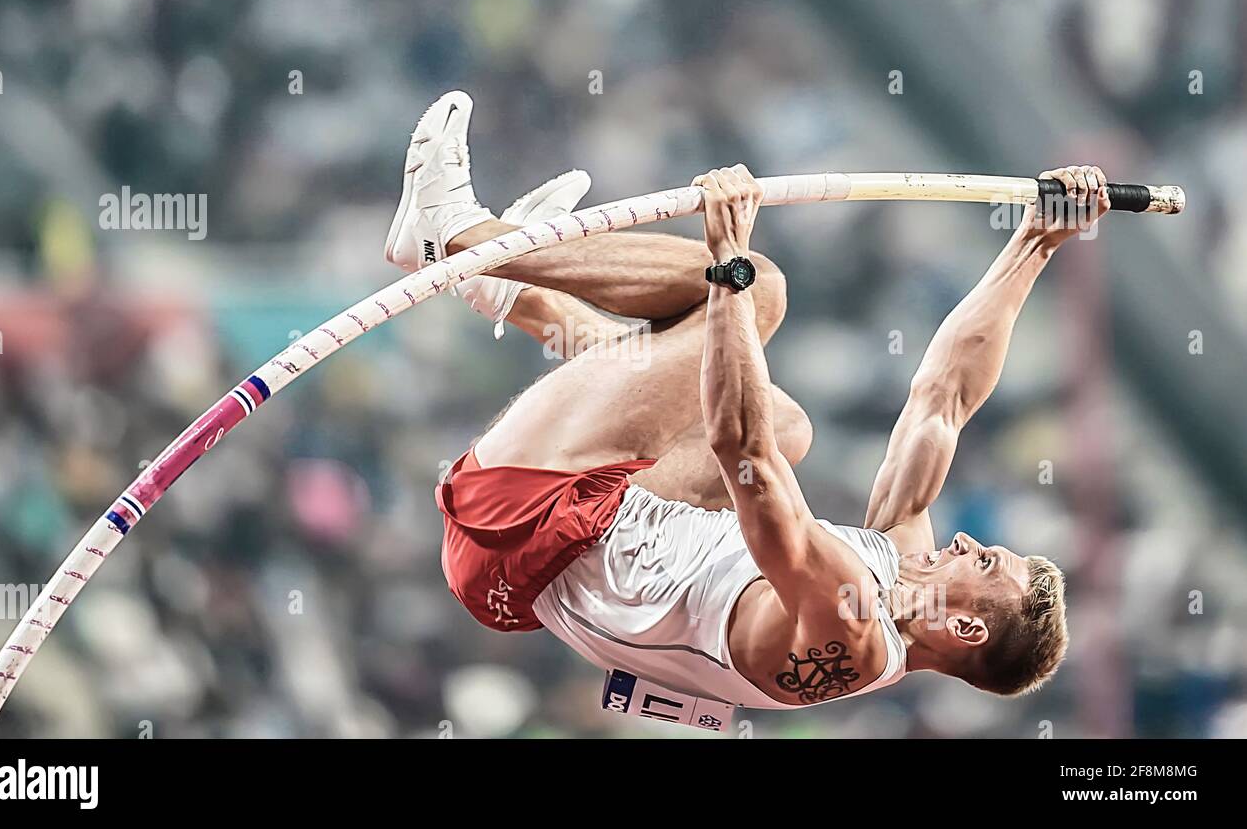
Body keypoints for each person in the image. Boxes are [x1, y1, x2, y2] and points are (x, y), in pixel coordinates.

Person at [386, 91, 1100, 722]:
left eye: (984, 563)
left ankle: (460, 237)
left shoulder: (848, 626)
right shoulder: (903, 564)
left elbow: (742, 452)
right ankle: (513, 290)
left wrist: (729, 257)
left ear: (967, 630)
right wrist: (1037, 241)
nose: (968, 543)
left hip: (522, 523)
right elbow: (943, 397)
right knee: (790, 423)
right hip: (559, 554)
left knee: (760, 292)